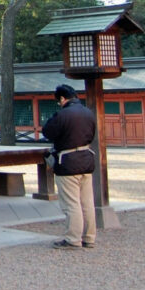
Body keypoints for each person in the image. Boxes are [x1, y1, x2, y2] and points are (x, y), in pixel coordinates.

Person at [42, 83, 97, 249]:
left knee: (72, 203)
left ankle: (73, 238)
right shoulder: (88, 113)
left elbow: (47, 132)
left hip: (68, 161)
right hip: (86, 159)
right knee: (87, 202)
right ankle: (89, 237)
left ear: (62, 98)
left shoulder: (62, 115)